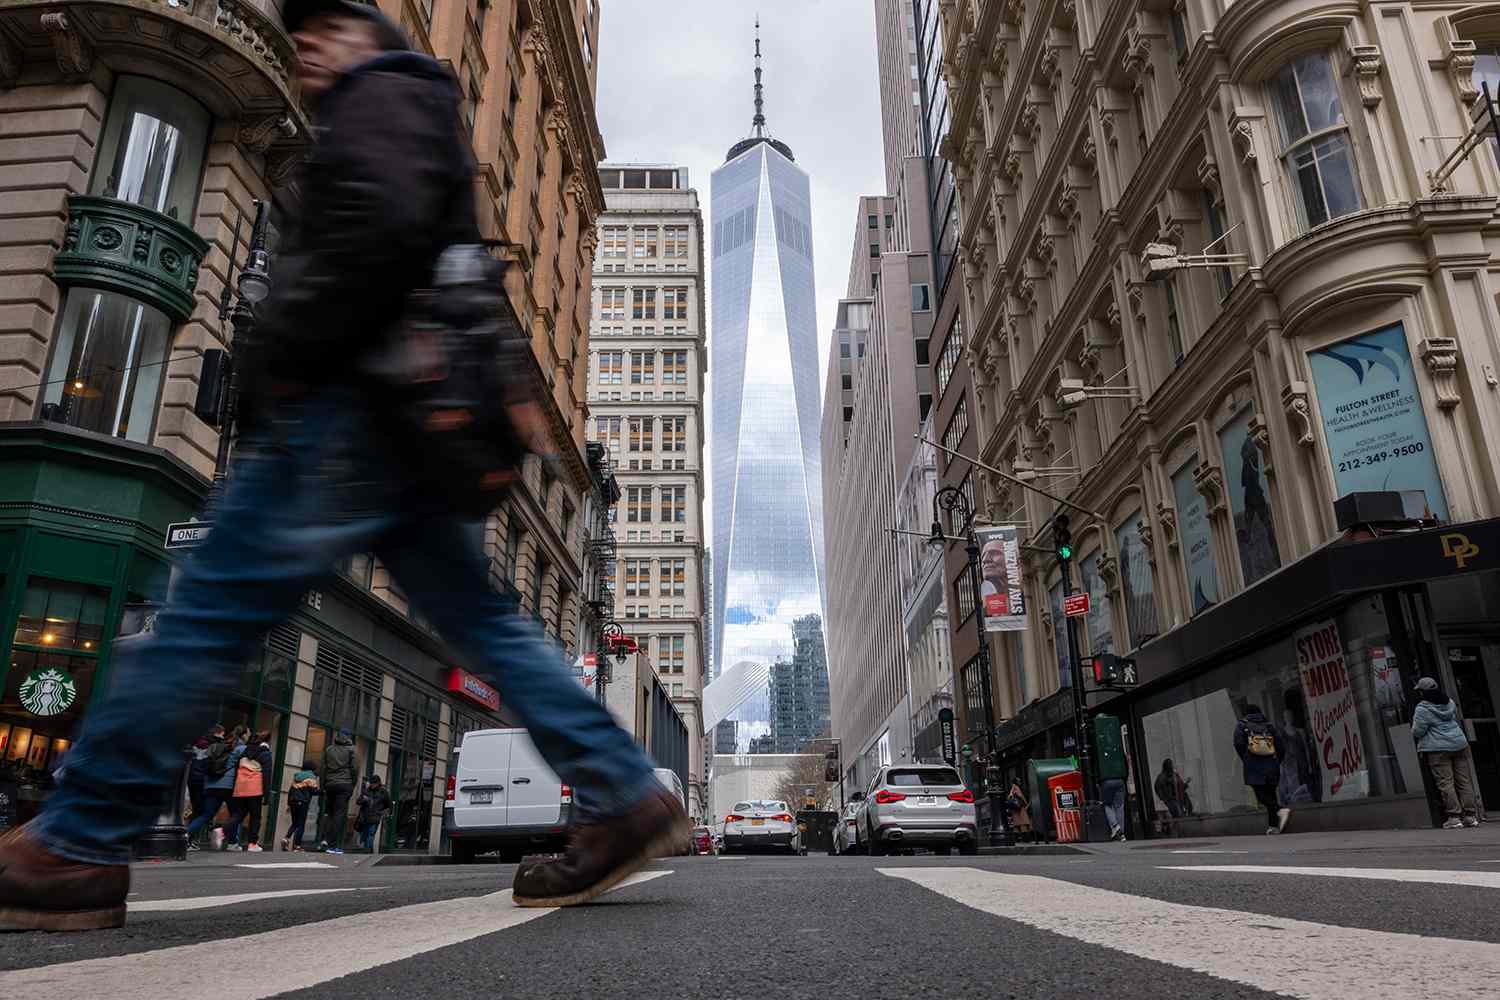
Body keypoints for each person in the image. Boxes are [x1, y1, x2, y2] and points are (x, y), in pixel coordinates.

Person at [0, 0, 682, 932]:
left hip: (351, 407)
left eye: (316, 36)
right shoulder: (420, 107)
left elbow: (376, 233)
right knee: (483, 619)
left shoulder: (385, 93)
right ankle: (625, 792)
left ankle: (77, 841)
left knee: (205, 609)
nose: (306, 54)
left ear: (359, 39)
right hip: (414, 425)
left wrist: (286, 361)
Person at [1412, 677, 1479, 829]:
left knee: (1445, 783)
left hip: (1438, 749)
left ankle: (1454, 817)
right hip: (1459, 744)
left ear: (1423, 692)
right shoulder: (1449, 703)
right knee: (1464, 781)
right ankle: (1470, 816)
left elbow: (1418, 731)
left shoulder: (1422, 709)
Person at [1234, 706, 1291, 834]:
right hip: (1271, 766)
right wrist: (1275, 762)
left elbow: (1238, 744)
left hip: (1254, 768)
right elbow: (1281, 747)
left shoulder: (1242, 725)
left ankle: (1280, 810)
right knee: (1270, 795)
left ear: (1246, 714)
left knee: (1261, 797)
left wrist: (1247, 759)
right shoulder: (1269, 726)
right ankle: (1274, 827)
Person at [225, 731, 274, 852]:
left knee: (238, 814)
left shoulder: (244, 752)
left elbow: (237, 768)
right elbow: (267, 775)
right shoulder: (265, 754)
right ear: (267, 741)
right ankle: (252, 844)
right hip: (255, 788)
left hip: (240, 787)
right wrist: (266, 795)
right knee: (255, 816)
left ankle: (223, 833)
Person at [319, 730, 358, 855]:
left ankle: (324, 839)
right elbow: (354, 769)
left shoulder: (329, 749)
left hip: (330, 784)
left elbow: (323, 768)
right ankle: (333, 845)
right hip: (344, 784)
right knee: (338, 814)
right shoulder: (351, 750)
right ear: (349, 738)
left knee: (328, 813)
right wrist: (353, 784)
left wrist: (323, 785)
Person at [283, 761, 320, 852]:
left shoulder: (297, 776)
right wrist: (322, 791)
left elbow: (291, 790)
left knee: (295, 823)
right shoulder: (311, 777)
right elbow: (314, 791)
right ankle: (297, 846)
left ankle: (286, 838)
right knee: (301, 824)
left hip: (293, 801)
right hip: (302, 802)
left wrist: (288, 804)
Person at [356, 775, 392, 851]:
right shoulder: (366, 790)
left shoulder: (383, 792)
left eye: (374, 783)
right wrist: (364, 800)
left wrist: (382, 813)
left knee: (371, 833)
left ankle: (368, 850)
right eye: (371, 783)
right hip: (365, 817)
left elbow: (388, 805)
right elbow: (358, 802)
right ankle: (367, 849)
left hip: (375, 817)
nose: (372, 785)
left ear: (378, 783)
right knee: (364, 834)